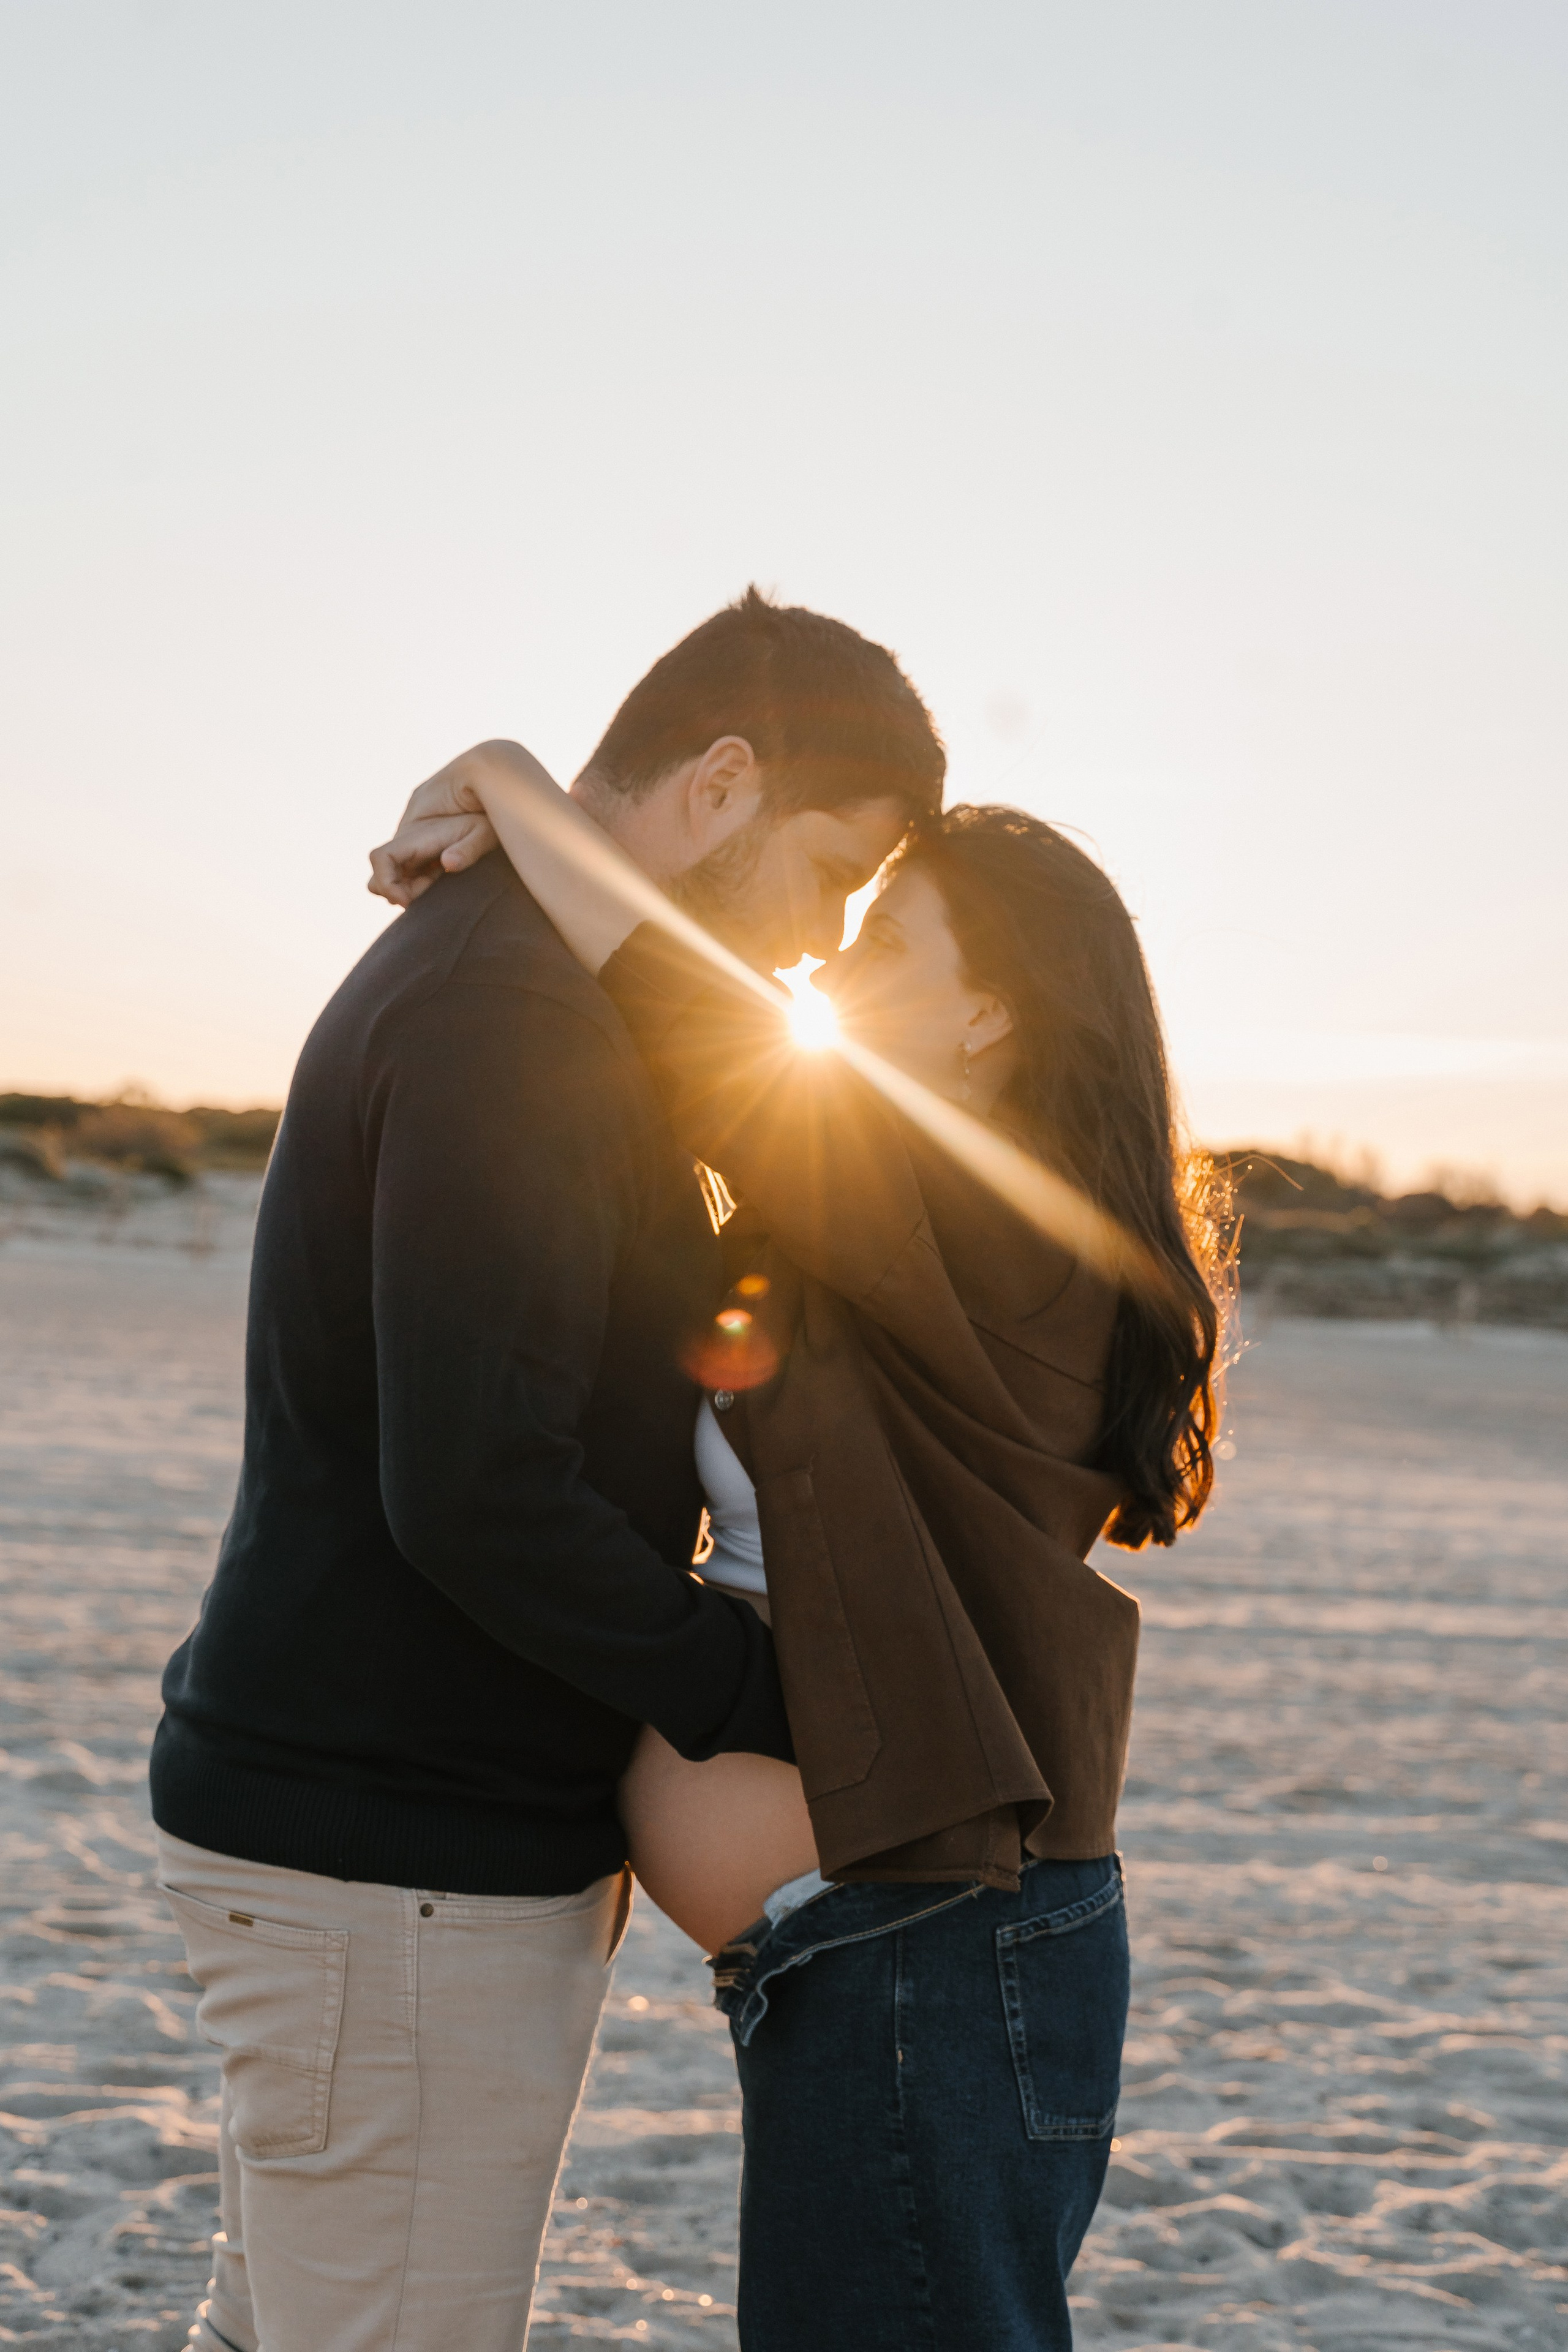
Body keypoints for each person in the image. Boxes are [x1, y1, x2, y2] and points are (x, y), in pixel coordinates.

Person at [149, 589, 946, 2352]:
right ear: (725, 783)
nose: (820, 947)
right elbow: (476, 1490)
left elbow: (708, 1040)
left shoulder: (545, 980)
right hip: (392, 1864)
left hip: (374, 1845)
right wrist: (775, 1695)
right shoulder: (512, 1013)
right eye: (832, 874)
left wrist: (510, 781)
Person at [371, 740, 1227, 2351]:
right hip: (917, 1951)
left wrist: (504, 776)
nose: (830, 964)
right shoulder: (919, 1225)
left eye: (885, 939)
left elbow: (679, 1004)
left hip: (934, 1951)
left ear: (992, 1016)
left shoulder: (977, 1216)